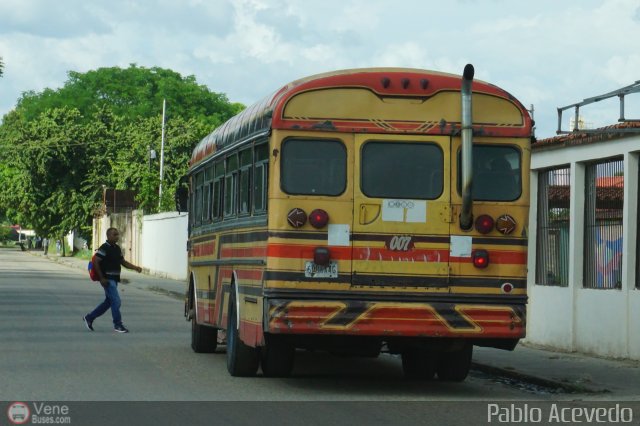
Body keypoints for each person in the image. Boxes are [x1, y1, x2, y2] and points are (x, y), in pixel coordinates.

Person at [83, 228, 142, 333]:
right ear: (108, 236)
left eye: (117, 234)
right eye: (114, 235)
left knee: (109, 302)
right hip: (107, 279)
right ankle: (118, 325)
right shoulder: (104, 248)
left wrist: (135, 267)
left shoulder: (117, 248)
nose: (117, 236)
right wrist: (101, 278)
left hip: (114, 279)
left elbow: (123, 262)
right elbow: (96, 261)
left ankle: (89, 318)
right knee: (116, 301)